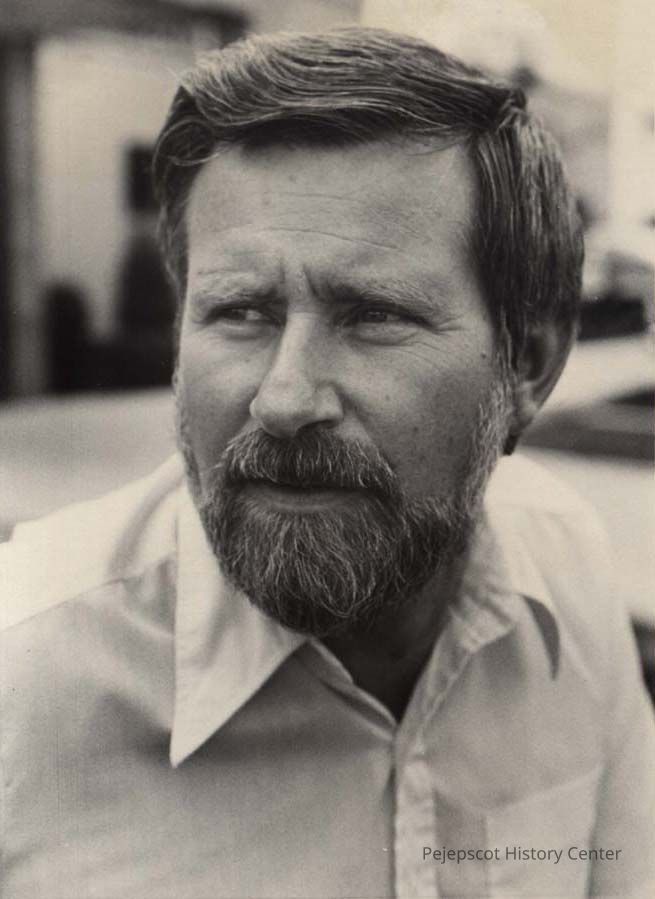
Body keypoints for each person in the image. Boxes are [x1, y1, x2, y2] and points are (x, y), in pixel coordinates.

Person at [1, 27, 653, 899]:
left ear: (527, 366)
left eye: (374, 314)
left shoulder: (565, 579)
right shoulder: (24, 676)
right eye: (240, 310)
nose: (283, 398)